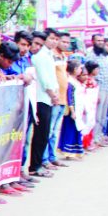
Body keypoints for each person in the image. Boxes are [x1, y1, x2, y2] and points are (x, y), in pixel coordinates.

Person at [28, 30, 59, 178]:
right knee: (41, 134)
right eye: (51, 39)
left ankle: (39, 163)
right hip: (42, 98)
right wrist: (53, 94)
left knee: (45, 133)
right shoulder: (39, 57)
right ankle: (35, 166)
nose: (53, 42)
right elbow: (45, 79)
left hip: (47, 98)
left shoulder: (47, 55)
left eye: (55, 39)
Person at [44, 30, 69, 169]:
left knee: (55, 131)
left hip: (63, 97)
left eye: (67, 42)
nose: (65, 44)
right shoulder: (50, 55)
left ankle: (52, 156)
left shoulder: (63, 56)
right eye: (62, 41)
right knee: (49, 130)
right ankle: (45, 158)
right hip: (53, 98)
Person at [87, 34, 108, 147]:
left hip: (106, 88)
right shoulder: (91, 55)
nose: (100, 42)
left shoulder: (104, 55)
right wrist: (94, 91)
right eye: (98, 40)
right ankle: (92, 139)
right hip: (96, 89)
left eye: (102, 40)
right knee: (96, 116)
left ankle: (98, 137)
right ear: (93, 41)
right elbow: (89, 73)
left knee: (103, 115)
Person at [57, 60, 86, 159]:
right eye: (79, 68)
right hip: (72, 110)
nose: (81, 70)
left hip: (78, 108)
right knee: (70, 130)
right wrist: (72, 111)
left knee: (76, 130)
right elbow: (70, 98)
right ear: (74, 69)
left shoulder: (75, 81)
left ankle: (75, 151)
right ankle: (67, 151)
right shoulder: (70, 82)